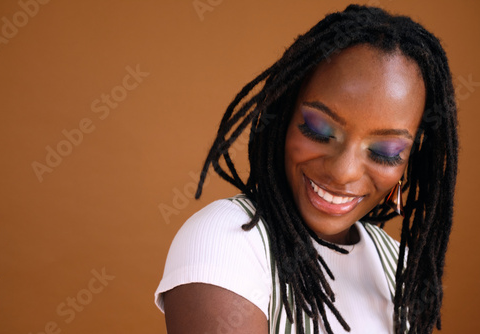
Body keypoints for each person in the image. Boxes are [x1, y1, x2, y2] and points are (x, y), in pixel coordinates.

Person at [155, 4, 458, 334]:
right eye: (320, 130)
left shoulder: (397, 264)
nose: (343, 172)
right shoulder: (226, 239)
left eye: (385, 151)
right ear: (285, 115)